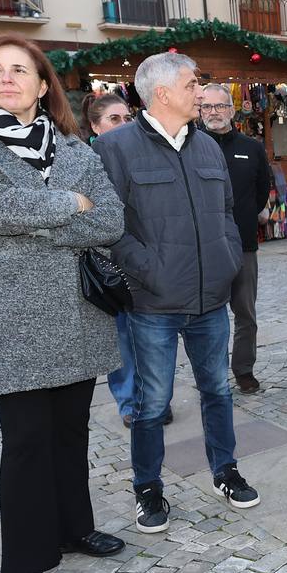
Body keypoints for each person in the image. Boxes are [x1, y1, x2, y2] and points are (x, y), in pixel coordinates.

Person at [0, 34, 127, 573]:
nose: (6, 78)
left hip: (74, 314)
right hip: (6, 317)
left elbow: (113, 219)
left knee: (71, 432)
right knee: (24, 442)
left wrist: (47, 220)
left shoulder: (72, 148)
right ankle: (27, 561)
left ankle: (75, 528)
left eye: (20, 69)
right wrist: (72, 207)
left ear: (43, 85)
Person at [93, 53, 260, 534]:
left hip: (211, 300)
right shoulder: (116, 148)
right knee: (150, 403)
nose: (199, 92)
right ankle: (148, 489)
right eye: (192, 85)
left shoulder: (208, 148)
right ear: (162, 93)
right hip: (153, 304)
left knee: (217, 391)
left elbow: (226, 212)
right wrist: (150, 270)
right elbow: (109, 226)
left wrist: (228, 260)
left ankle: (224, 471)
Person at [82, 93, 169, 431]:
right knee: (122, 338)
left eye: (126, 118)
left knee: (152, 337)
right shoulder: (88, 162)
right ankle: (130, 402)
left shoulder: (143, 155)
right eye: (113, 119)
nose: (123, 125)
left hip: (145, 258)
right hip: (109, 262)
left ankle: (156, 398)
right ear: (95, 126)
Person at [201, 83, 272, 394]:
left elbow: (261, 192)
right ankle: (213, 377)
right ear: (199, 111)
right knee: (208, 318)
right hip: (203, 248)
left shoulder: (252, 147)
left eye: (220, 106)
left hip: (243, 245)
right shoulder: (190, 147)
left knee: (245, 314)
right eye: (207, 107)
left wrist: (244, 218)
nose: (214, 113)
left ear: (231, 109)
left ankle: (243, 370)